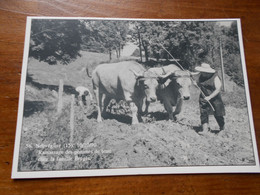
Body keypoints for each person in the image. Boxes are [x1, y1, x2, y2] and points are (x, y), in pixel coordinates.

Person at [193, 63, 225, 133]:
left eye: (203, 72)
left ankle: (222, 128)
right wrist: (196, 84)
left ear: (207, 72)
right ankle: (205, 129)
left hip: (215, 98)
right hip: (203, 97)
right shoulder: (201, 76)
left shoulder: (215, 77)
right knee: (203, 112)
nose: (202, 73)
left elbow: (218, 89)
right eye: (201, 72)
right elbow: (199, 85)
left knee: (218, 113)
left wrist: (210, 97)